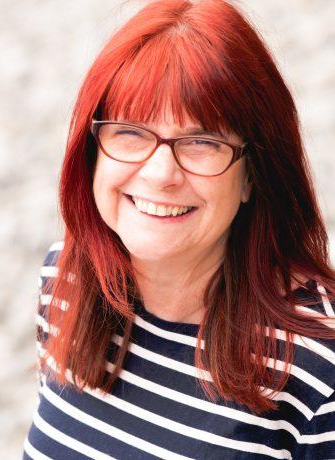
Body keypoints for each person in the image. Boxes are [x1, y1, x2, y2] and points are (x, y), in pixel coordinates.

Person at [23, 0, 335, 458]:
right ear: (92, 153)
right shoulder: (65, 280)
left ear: (253, 173)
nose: (160, 173)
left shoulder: (321, 369)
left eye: (201, 142)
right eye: (130, 132)